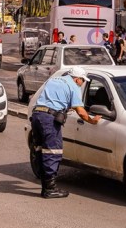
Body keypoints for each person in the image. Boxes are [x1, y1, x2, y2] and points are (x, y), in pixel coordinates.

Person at [30, 67, 101, 198]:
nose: (82, 83)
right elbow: (81, 112)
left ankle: (45, 183)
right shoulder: (73, 86)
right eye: (82, 81)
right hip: (49, 119)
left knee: (40, 149)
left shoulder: (54, 79)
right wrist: (93, 121)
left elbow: (48, 97)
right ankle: (50, 189)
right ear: (77, 79)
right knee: (53, 151)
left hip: (37, 115)